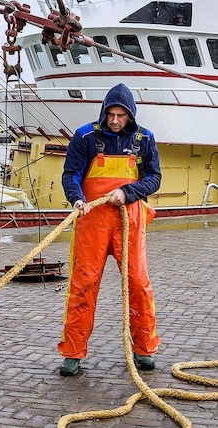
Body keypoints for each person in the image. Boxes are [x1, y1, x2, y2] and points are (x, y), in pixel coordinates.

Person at [58, 83, 162, 376]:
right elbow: (71, 174)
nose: (115, 121)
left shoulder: (145, 139)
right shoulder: (85, 136)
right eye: (111, 115)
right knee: (83, 284)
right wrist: (77, 198)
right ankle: (73, 352)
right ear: (104, 113)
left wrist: (128, 193)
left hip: (129, 219)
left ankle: (144, 349)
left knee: (138, 283)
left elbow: (154, 178)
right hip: (92, 218)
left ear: (131, 115)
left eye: (121, 115)